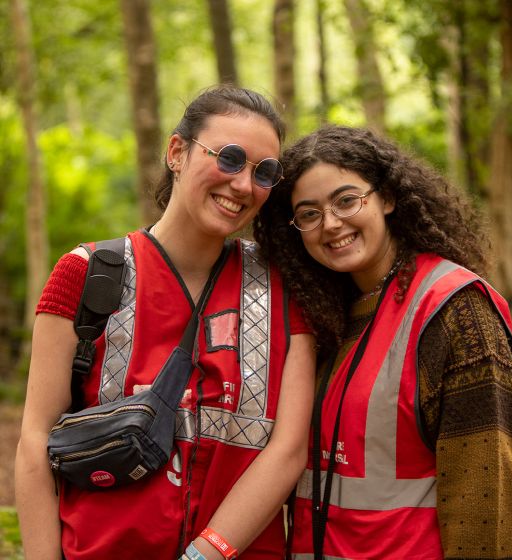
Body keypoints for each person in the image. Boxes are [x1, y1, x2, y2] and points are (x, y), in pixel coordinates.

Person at [15, 85, 316, 560]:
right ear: (177, 152)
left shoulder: (285, 287)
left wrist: (206, 553)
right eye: (230, 158)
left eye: (265, 172)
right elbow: (36, 440)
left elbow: (288, 449)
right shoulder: (86, 274)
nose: (243, 185)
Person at [253, 124, 512, 559]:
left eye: (346, 200)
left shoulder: (454, 311)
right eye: (309, 214)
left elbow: (489, 499)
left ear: (387, 198)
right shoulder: (328, 319)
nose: (331, 224)